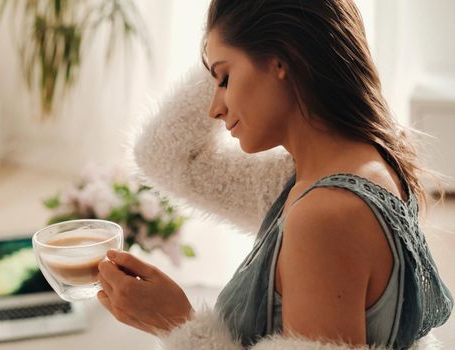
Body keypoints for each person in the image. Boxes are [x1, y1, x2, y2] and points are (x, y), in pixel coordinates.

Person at [96, 0, 453, 349]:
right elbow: (166, 157)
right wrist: (231, 41)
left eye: (224, 78)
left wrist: (176, 324)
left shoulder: (326, 215)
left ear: (283, 59)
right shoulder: (338, 167)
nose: (214, 108)